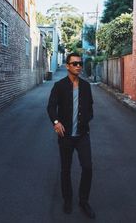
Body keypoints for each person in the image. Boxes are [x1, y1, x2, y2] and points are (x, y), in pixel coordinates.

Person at [47, 52, 95, 219]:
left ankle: (83, 201)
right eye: (74, 63)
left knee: (87, 167)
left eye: (80, 63)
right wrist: (56, 122)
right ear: (67, 66)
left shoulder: (86, 87)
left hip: (82, 135)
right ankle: (67, 200)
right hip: (65, 136)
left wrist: (85, 121)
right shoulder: (59, 86)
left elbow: (90, 108)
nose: (78, 66)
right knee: (66, 170)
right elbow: (51, 107)